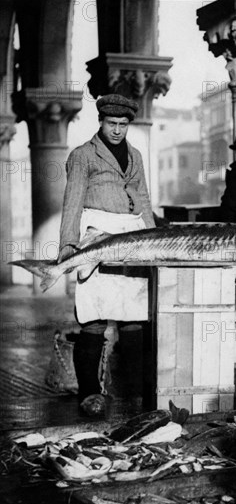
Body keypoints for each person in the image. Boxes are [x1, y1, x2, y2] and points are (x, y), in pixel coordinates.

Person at [58, 93, 155, 413]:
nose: (117, 130)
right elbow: (72, 202)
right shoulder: (83, 155)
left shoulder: (136, 155)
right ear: (100, 121)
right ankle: (89, 393)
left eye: (123, 125)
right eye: (112, 123)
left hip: (133, 239)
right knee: (93, 319)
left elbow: (142, 199)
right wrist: (69, 247)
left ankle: (135, 391)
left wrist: (153, 241)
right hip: (96, 237)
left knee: (134, 320)